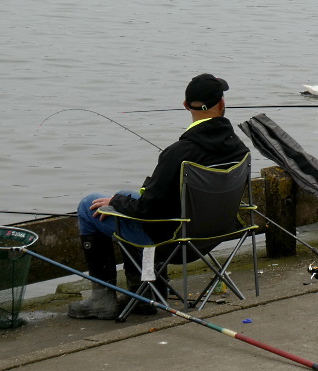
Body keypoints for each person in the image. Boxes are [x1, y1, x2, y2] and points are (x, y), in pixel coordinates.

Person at [68, 73, 250, 320]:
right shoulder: (239, 149)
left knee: (88, 206)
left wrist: (117, 203)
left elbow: (147, 210)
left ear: (186, 106)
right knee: (123, 195)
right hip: (216, 234)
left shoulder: (178, 153)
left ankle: (102, 299)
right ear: (222, 104)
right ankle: (145, 293)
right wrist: (120, 199)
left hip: (174, 243)